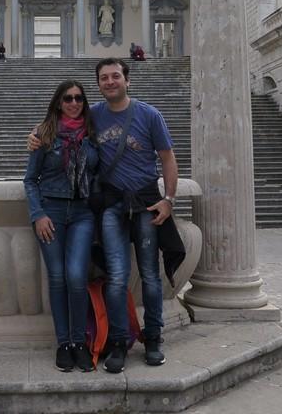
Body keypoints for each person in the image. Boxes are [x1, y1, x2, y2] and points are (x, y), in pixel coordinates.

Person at [29, 58, 179, 374]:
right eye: (104, 78)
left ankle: (151, 338)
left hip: (138, 205)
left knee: (149, 275)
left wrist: (169, 199)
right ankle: (108, 343)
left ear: (127, 79)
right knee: (113, 275)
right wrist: (36, 136)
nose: (110, 82)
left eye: (115, 76)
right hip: (99, 208)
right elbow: (39, 159)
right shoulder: (80, 119)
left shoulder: (145, 115)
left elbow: (167, 157)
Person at [24, 81, 99, 373]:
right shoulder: (44, 133)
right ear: (58, 102)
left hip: (82, 213)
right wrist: (38, 214)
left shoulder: (93, 133)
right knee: (57, 277)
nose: (73, 103)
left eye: (79, 98)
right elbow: (30, 179)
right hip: (51, 212)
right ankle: (63, 344)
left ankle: (79, 343)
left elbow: (101, 170)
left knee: (76, 276)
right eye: (67, 98)